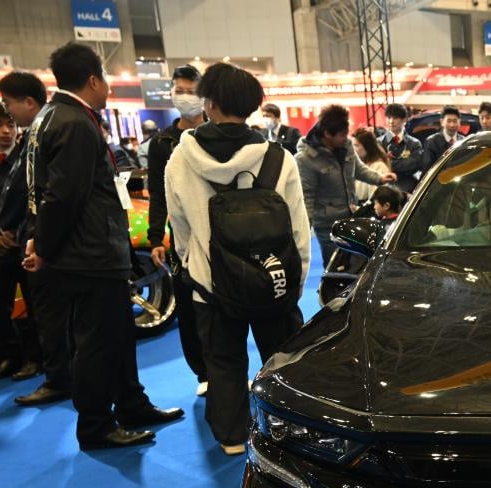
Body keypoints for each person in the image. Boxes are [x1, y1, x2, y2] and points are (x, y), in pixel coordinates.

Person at [25, 43, 182, 450]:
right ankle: (96, 425)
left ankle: (131, 403)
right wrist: (43, 246)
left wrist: (40, 239)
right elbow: (64, 195)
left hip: (90, 250)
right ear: (94, 80)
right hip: (88, 254)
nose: (108, 86)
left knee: (117, 336)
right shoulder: (74, 122)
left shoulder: (51, 117)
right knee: (97, 343)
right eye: (106, 78)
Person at [165, 62, 311, 456]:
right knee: (283, 360)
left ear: (209, 103)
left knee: (223, 362)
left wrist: (196, 265)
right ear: (251, 106)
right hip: (273, 278)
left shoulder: (181, 158)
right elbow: (298, 228)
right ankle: (291, 430)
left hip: (211, 284)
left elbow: (180, 226)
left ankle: (231, 435)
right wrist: (295, 280)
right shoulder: (279, 158)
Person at [0, 70, 63, 404]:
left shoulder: (45, 132)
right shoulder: (39, 133)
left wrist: (20, 230)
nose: (8, 116)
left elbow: (32, 190)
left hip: (42, 241)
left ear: (29, 102)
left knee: (48, 315)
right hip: (30, 237)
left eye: (9, 104)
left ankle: (58, 377)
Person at [144, 64, 209, 398]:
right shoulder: (162, 143)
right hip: (182, 237)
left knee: (224, 305)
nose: (184, 96)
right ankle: (203, 371)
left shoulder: (216, 132)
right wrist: (156, 236)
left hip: (220, 232)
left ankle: (229, 366)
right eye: (179, 90)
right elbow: (157, 193)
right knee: (187, 304)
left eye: (191, 91)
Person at [296, 103, 394, 265]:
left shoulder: (346, 146)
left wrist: (380, 178)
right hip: (327, 226)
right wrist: (303, 232)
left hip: (352, 217)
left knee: (359, 265)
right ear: (327, 134)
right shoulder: (305, 159)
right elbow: (307, 198)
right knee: (336, 267)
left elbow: (358, 169)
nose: (346, 137)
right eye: (342, 134)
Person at [0, 104, 24, 380]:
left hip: (27, 244)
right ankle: (9, 356)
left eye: (10, 125)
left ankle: (36, 358)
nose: (6, 131)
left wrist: (20, 233)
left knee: (37, 308)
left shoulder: (27, 158)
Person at [379, 102, 423, 193]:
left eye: (395, 118)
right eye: (389, 117)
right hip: (384, 190)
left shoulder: (414, 143)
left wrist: (389, 164)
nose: (391, 121)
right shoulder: (378, 143)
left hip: (409, 189)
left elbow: (415, 165)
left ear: (404, 120)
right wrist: (403, 164)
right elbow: (378, 167)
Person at [419, 105, 466, 173]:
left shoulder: (464, 141)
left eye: (455, 121)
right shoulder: (432, 141)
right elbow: (427, 168)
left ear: (459, 122)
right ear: (442, 122)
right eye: (449, 121)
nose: (452, 125)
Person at [352, 128, 392, 204]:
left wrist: (357, 208)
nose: (353, 149)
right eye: (352, 145)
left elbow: (375, 200)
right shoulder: (358, 164)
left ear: (368, 147)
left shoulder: (379, 167)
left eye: (356, 145)